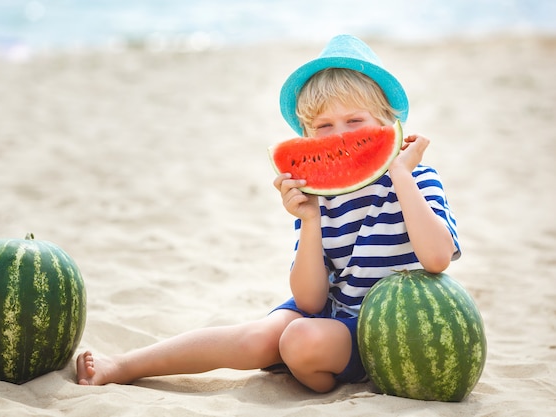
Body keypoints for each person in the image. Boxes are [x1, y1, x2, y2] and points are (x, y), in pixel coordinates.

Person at [75, 34, 461, 393]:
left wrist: (400, 174)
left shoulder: (418, 178)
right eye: (323, 126)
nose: (338, 136)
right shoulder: (319, 196)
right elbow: (310, 302)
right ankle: (124, 365)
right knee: (258, 337)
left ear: (387, 125)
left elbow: (437, 258)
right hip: (330, 310)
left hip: (382, 330)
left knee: (298, 340)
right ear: (307, 138)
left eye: (355, 123)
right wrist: (310, 221)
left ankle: (309, 369)